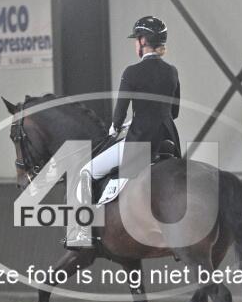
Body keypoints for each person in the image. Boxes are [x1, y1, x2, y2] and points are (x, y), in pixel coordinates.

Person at [66, 16, 181, 249]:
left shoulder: (132, 72)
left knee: (86, 172)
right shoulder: (172, 72)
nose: (135, 44)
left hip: (140, 143)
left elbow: (119, 113)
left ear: (142, 41)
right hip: (168, 142)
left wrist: (117, 126)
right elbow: (174, 112)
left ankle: (81, 232)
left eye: (136, 40)